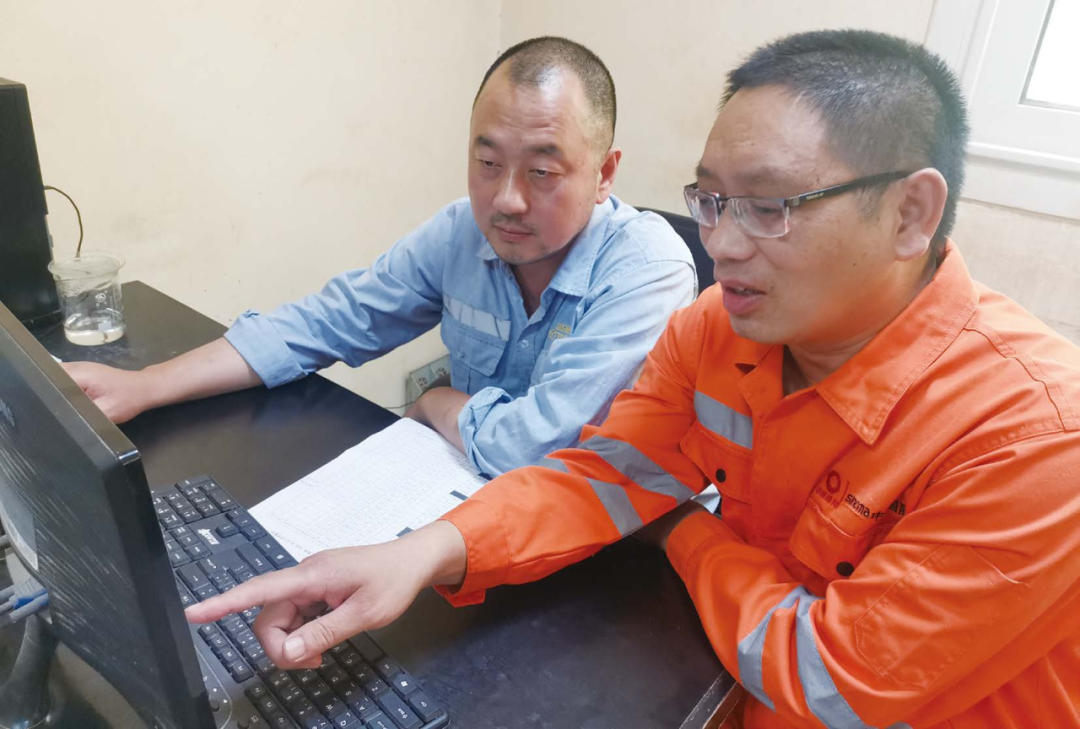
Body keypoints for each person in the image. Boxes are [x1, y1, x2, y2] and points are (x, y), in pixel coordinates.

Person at [187, 30, 1080, 728]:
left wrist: (681, 528)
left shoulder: (1035, 434)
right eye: (712, 200)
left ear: (910, 213)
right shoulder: (715, 329)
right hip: (721, 688)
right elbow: (603, 475)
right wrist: (418, 553)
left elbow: (832, 676)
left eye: (770, 206)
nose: (721, 243)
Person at [65, 36, 696, 477]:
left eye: (541, 171)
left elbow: (540, 451)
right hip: (467, 497)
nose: (506, 200)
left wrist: (438, 404)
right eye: (487, 163)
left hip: (613, 551)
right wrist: (146, 386)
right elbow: (325, 322)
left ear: (604, 173)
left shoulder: (647, 271)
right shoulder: (461, 232)